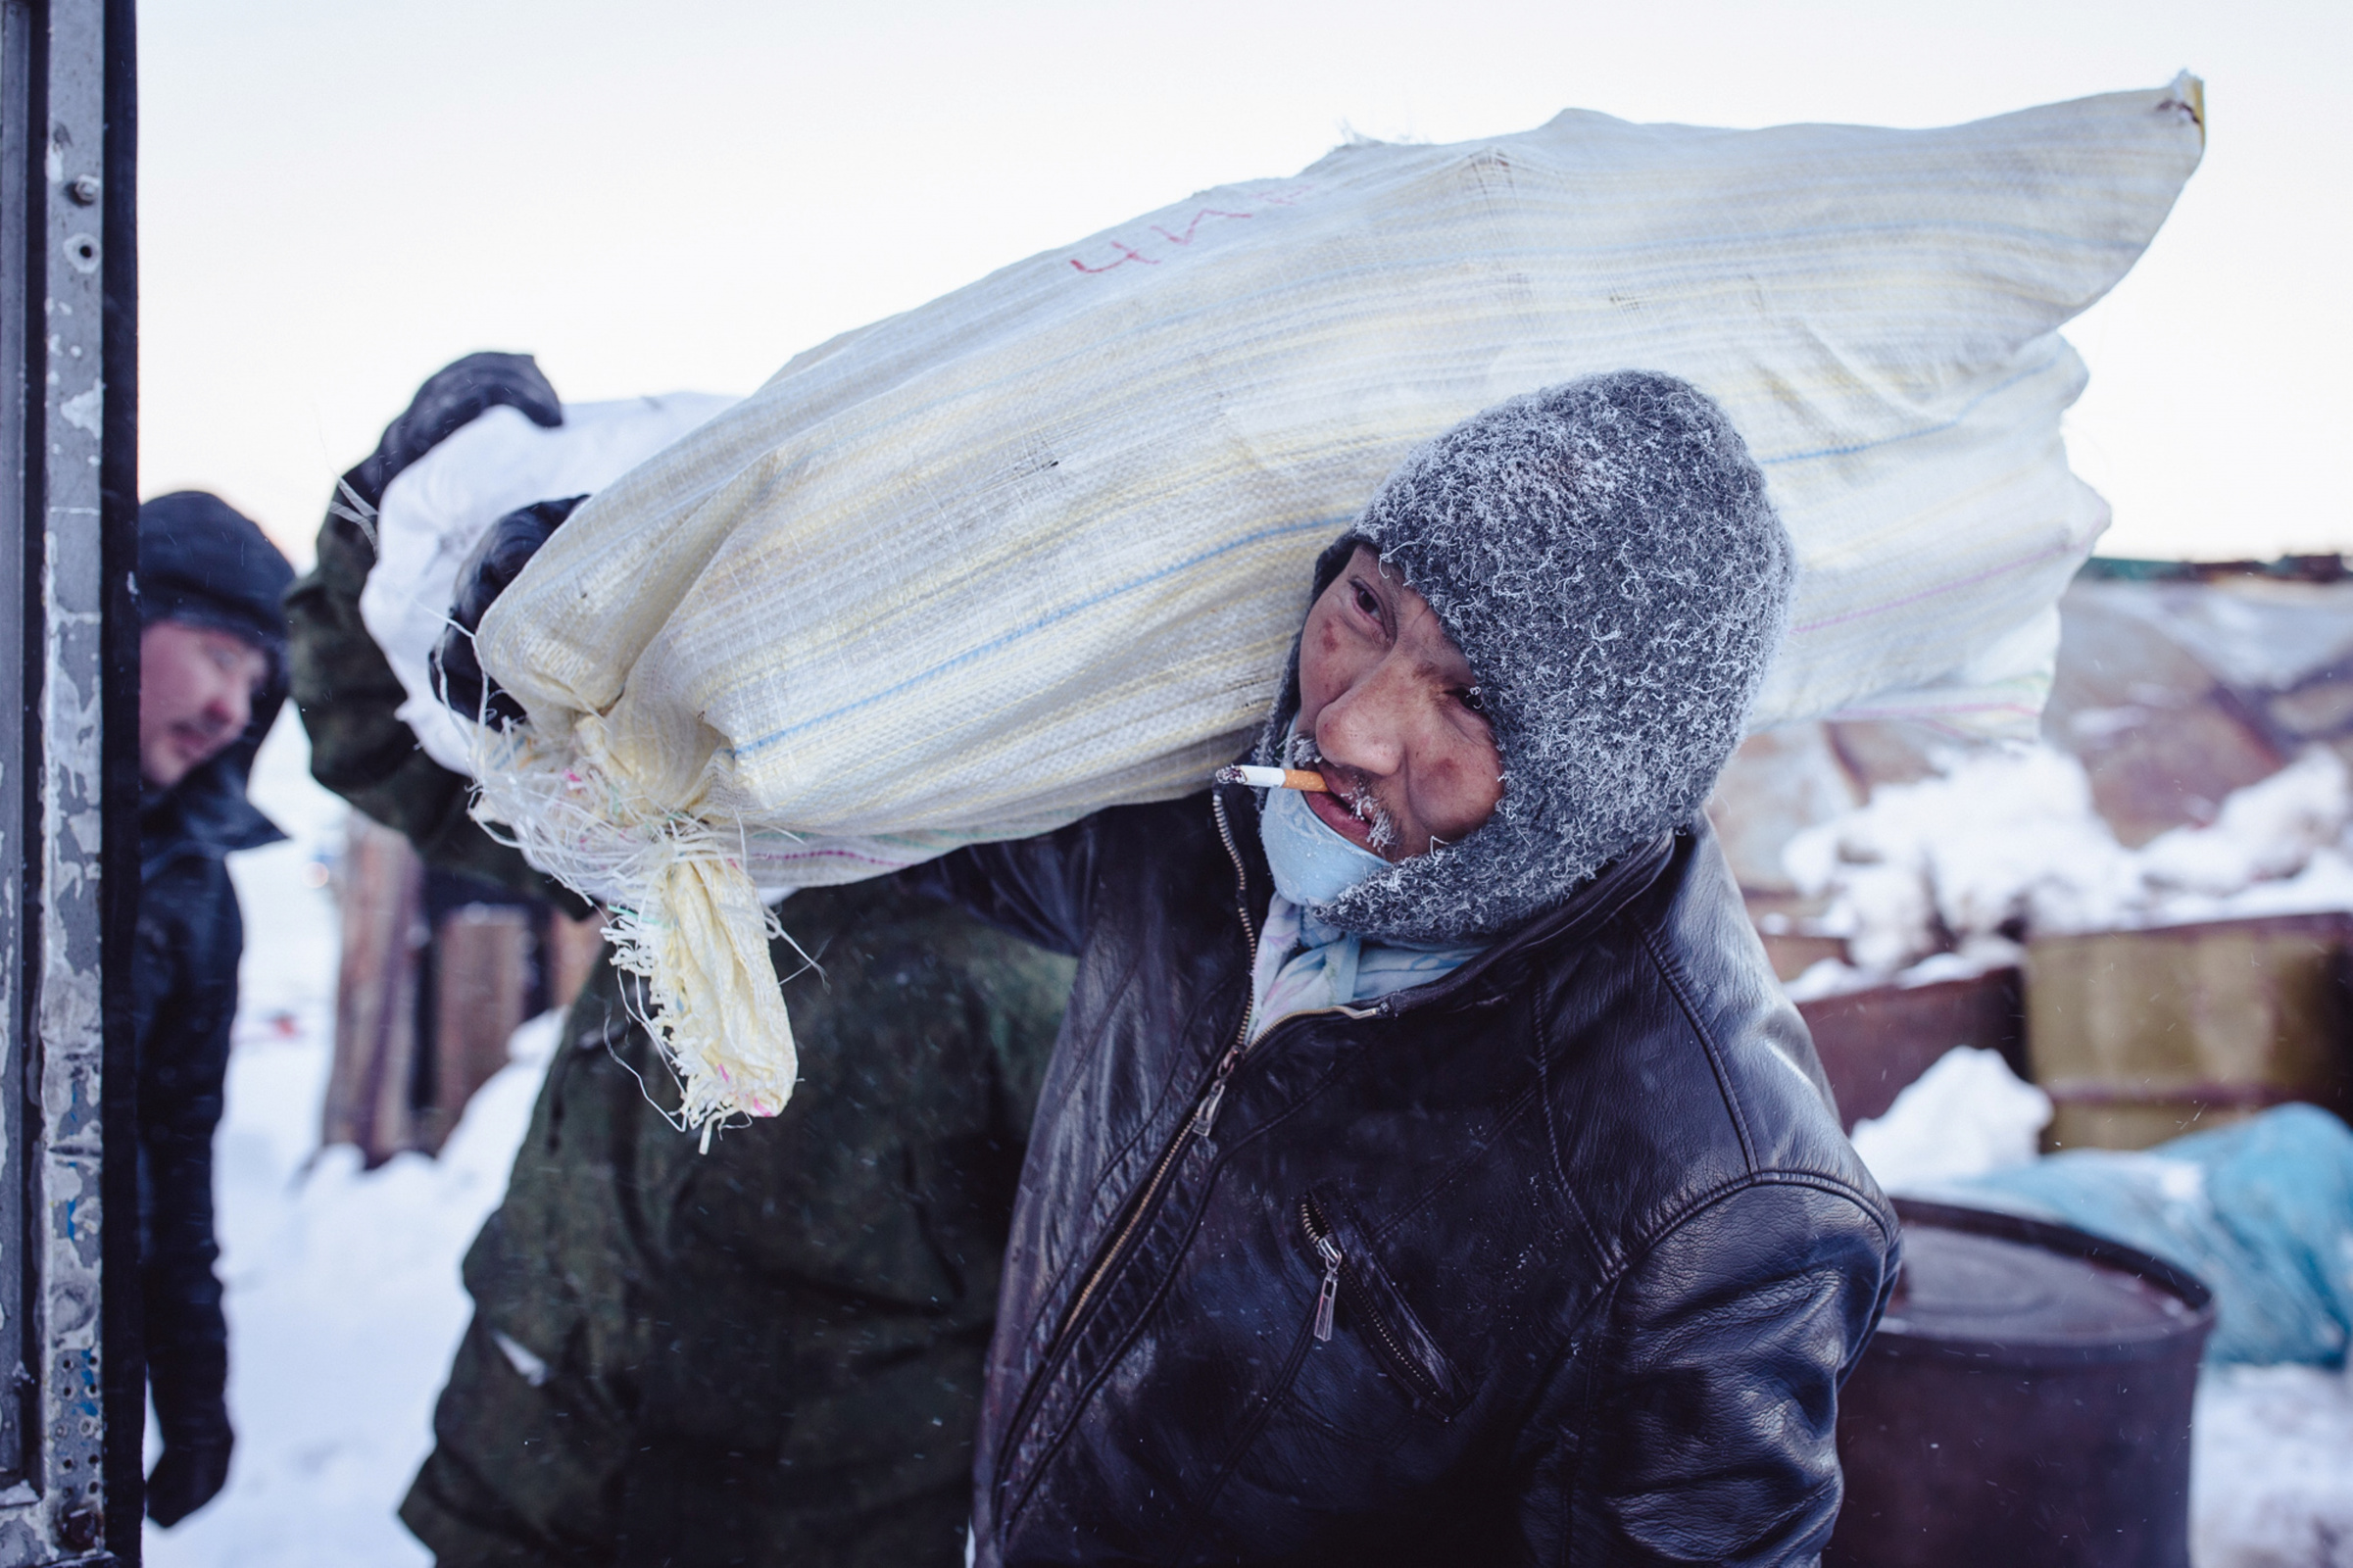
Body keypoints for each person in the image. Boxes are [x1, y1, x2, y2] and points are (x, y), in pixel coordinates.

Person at [907, 371, 1901, 1564]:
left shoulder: (1708, 1209)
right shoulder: (1198, 831)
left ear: (1595, 790)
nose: (1344, 730)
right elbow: (915, 821)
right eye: (1369, 606)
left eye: (1469, 699)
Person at [282, 354, 1076, 1566]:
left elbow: (1099, 1319)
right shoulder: (665, 842)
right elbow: (371, 746)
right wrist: (380, 508)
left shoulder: (1027, 945)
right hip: (525, 1485)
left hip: (801, 1529)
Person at [133, 491, 296, 1526]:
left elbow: (174, 1147)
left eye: (255, 679)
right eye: (216, 653)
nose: (234, 710)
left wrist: (193, 1395)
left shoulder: (195, 891)